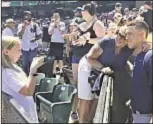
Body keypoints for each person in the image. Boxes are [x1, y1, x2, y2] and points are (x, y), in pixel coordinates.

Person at [78, 26, 152, 123]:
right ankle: (81, 121)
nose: (119, 38)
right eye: (118, 34)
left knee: (97, 99)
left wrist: (149, 45)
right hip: (89, 65)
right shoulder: (106, 42)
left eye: (123, 37)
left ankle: (89, 120)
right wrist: (102, 68)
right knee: (86, 97)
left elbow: (141, 46)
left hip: (106, 69)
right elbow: (90, 58)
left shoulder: (129, 49)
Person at [68, 2, 105, 123]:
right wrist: (74, 38)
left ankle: (86, 116)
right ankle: (78, 113)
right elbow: (76, 38)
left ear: (89, 12)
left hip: (88, 59)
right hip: (77, 56)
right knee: (78, 86)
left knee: (87, 91)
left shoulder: (97, 24)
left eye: (83, 11)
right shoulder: (82, 24)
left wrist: (87, 39)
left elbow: (102, 41)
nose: (82, 13)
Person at [2, 36, 45, 123]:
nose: (21, 54)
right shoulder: (7, 73)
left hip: (24, 115)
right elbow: (28, 92)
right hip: (22, 117)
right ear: (6, 51)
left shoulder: (12, 67)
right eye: (18, 50)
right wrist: (33, 70)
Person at [126, 20, 152, 123]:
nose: (127, 37)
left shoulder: (149, 57)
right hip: (134, 113)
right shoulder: (132, 53)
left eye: (130, 34)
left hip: (145, 116)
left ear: (141, 35)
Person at [17, 11, 42, 76]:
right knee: (24, 64)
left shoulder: (35, 25)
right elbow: (19, 35)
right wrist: (24, 27)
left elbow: (39, 35)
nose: (27, 16)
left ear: (31, 16)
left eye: (28, 15)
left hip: (33, 47)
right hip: (24, 48)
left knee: (32, 64)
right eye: (25, 15)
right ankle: (26, 78)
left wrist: (35, 39)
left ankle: (32, 78)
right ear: (23, 17)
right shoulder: (21, 25)